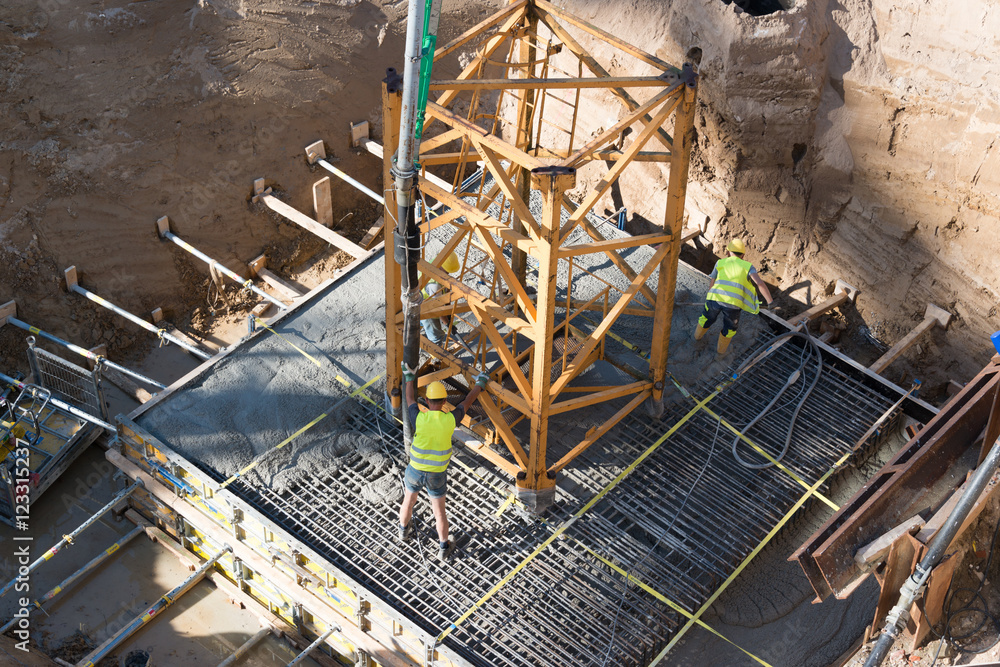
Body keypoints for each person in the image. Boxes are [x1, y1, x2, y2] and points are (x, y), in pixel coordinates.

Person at [398, 367, 488, 560]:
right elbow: (467, 402)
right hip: (437, 474)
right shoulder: (449, 420)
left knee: (408, 501)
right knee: (439, 513)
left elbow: (410, 399)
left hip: (415, 469)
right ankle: (443, 548)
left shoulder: (419, 417)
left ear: (427, 401)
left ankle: (403, 532)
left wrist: (410, 377)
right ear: (445, 402)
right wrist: (480, 384)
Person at [696, 238, 774, 355]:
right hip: (733, 305)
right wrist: (771, 302)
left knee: (706, 318)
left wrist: (710, 298)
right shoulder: (748, 266)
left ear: (728, 252)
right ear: (743, 255)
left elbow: (712, 283)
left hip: (714, 300)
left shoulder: (720, 263)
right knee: (729, 329)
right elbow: (760, 283)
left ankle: (696, 338)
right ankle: (720, 353)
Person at [421, 251, 460, 347]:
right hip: (428, 309)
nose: (448, 273)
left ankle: (414, 330)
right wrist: (447, 323)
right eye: (447, 271)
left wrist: (448, 312)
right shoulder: (434, 285)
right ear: (442, 267)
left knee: (416, 322)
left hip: (419, 299)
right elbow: (438, 309)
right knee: (436, 335)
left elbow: (445, 290)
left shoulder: (435, 262)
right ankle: (436, 355)